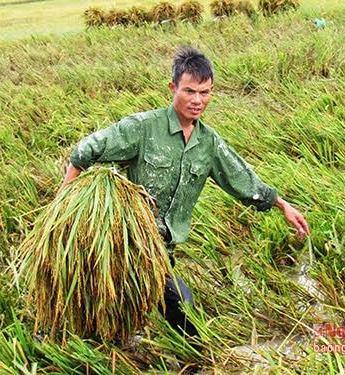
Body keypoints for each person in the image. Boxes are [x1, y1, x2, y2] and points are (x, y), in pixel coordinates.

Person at [59, 46, 310, 344]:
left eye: (205, 93)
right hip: (130, 243)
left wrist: (282, 205)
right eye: (189, 91)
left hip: (165, 250)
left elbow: (240, 178)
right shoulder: (143, 128)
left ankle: (153, 351)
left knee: (147, 309)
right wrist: (63, 204)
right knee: (175, 305)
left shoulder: (208, 142)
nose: (197, 100)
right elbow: (85, 151)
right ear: (173, 88)